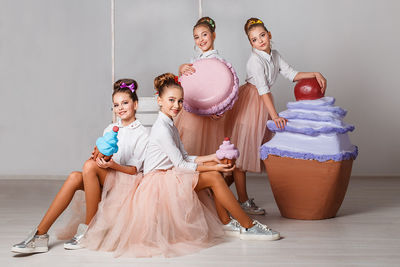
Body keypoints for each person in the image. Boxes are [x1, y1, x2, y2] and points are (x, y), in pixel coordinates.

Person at [107, 73, 280, 258]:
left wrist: (214, 157)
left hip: (170, 174)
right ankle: (249, 226)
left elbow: (186, 156)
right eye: (171, 100)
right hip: (158, 182)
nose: (176, 106)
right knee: (214, 175)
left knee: (214, 171)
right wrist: (215, 167)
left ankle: (226, 221)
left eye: (180, 101)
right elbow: (181, 165)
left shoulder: (170, 125)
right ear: (159, 101)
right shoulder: (161, 129)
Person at [11, 79, 148, 253]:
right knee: (75, 176)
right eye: (116, 104)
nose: (120, 108)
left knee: (89, 167)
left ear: (135, 104)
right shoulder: (110, 128)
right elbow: (103, 155)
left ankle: (89, 231)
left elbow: (134, 170)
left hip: (128, 184)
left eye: (125, 103)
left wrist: (111, 164)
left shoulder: (142, 133)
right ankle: (40, 235)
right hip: (109, 178)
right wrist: (98, 157)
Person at [226, 18, 327, 215]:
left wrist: (315, 73)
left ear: (269, 35)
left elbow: (292, 74)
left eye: (262, 35)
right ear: (251, 44)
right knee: (242, 154)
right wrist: (274, 117)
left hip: (262, 102)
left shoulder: (275, 55)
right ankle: (243, 200)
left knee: (247, 154)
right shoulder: (254, 61)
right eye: (254, 39)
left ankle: (221, 191)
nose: (260, 41)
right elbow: (263, 90)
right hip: (251, 102)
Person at [175, 17, 228, 156]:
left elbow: (221, 89)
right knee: (188, 142)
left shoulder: (219, 62)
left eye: (204, 34)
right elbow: (184, 83)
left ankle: (205, 174)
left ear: (213, 35)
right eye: (196, 37)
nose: (201, 40)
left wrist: (219, 109)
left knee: (205, 145)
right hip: (192, 109)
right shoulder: (195, 61)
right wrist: (181, 68)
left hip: (209, 113)